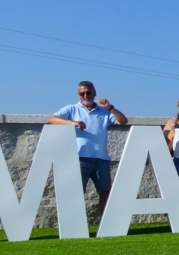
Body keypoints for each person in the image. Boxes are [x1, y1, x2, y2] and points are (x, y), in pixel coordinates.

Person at [48, 81, 128, 215]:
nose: (85, 96)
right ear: (78, 94)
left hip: (101, 159)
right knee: (77, 193)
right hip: (79, 158)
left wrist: (110, 108)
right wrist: (73, 122)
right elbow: (51, 119)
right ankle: (75, 222)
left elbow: (123, 121)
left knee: (105, 192)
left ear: (94, 93)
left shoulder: (104, 111)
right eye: (82, 93)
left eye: (88, 92)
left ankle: (105, 221)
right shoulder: (71, 109)